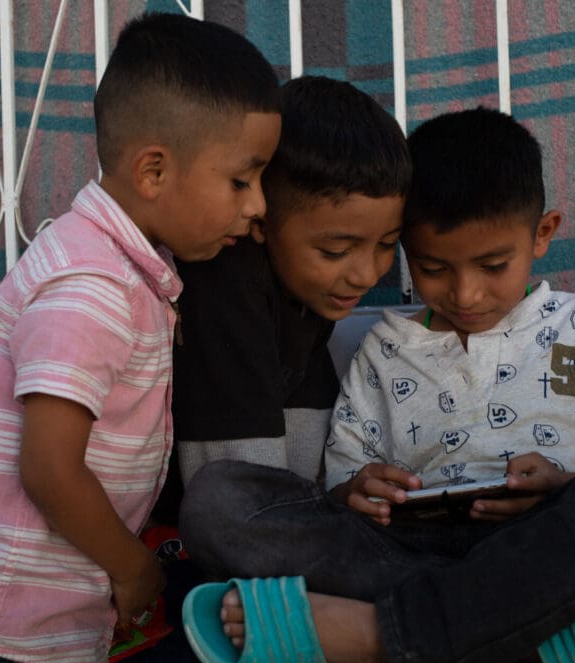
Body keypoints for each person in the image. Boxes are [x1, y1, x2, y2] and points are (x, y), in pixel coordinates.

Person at [178, 107, 575, 663]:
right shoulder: (384, 349)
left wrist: (566, 487)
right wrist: (361, 488)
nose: (466, 293)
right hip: (410, 554)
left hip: (552, 546)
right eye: (432, 268)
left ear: (543, 234)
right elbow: (343, 488)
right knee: (217, 500)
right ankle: (537, 634)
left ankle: (381, 635)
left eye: (493, 265)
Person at [0, 12, 281, 663]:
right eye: (242, 181)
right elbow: (48, 467)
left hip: (13, 635)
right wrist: (134, 569)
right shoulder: (92, 284)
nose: (259, 207)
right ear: (153, 171)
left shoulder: (111, 265)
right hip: (1, 641)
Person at [166, 74, 411, 488]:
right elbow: (235, 487)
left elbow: (304, 456)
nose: (367, 274)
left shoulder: (308, 293)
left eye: (387, 244)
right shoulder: (224, 285)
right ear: (261, 220)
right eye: (335, 251)